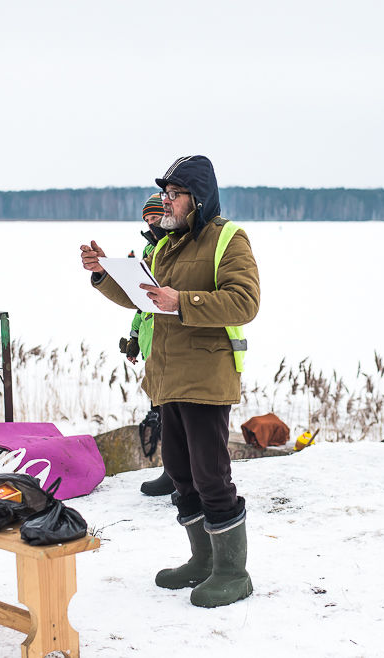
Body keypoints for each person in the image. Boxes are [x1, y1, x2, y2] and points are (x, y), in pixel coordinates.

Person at [81, 155, 260, 608]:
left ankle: (232, 572)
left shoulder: (228, 240)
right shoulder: (163, 246)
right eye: (164, 194)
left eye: (173, 195)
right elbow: (142, 296)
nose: (166, 202)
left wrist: (184, 301)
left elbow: (245, 302)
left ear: (196, 199)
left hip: (205, 376)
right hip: (166, 377)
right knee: (181, 476)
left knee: (210, 476)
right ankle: (202, 562)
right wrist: (103, 272)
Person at [122, 193, 175, 497]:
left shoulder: (174, 249)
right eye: (146, 220)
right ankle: (171, 472)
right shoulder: (147, 250)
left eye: (154, 218)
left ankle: (182, 476)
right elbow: (141, 303)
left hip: (172, 342)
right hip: (150, 343)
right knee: (159, 410)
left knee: (175, 414)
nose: (150, 223)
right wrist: (132, 338)